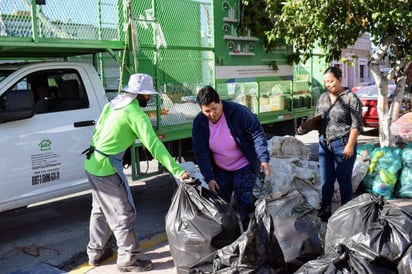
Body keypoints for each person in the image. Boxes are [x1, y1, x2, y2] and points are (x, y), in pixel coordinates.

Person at [83, 73, 190, 272]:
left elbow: (98, 131)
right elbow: (154, 145)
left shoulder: (113, 104)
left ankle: (95, 253)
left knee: (100, 210)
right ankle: (129, 260)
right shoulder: (135, 114)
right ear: (138, 94)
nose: (149, 98)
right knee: (123, 213)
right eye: (147, 95)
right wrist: (177, 170)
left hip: (92, 162)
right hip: (107, 167)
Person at [192, 86, 271, 228]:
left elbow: (257, 133)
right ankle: (230, 233)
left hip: (244, 164)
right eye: (206, 111)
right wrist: (209, 177)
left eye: (214, 108)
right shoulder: (200, 123)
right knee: (221, 203)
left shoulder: (237, 112)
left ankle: (249, 232)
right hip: (221, 168)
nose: (211, 114)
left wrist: (263, 159)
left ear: (220, 101)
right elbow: (201, 152)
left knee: (243, 200)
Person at [298, 66, 363, 222]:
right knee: (326, 180)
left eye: (331, 81)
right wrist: (305, 127)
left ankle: (346, 213)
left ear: (340, 79)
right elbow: (319, 119)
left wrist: (349, 145)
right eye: (326, 82)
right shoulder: (322, 98)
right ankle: (325, 209)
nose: (329, 85)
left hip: (343, 143)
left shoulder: (350, 98)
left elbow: (357, 125)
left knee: (344, 180)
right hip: (324, 144)